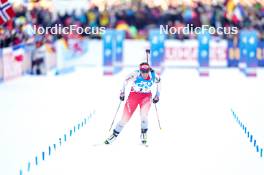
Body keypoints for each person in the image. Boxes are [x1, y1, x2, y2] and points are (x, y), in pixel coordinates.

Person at [105, 62, 161, 145]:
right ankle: (114, 135)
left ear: (149, 70)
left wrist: (157, 95)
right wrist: (122, 93)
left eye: (146, 71)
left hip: (146, 96)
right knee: (125, 118)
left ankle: (144, 134)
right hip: (133, 96)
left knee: (144, 115)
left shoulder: (154, 75)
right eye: (143, 71)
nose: (144, 74)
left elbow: (159, 83)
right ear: (140, 70)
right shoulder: (135, 74)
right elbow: (125, 81)